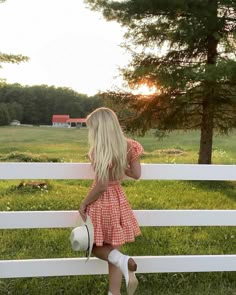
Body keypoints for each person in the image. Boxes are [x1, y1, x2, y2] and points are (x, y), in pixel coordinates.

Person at [79, 107, 144, 295]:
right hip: (118, 199)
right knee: (114, 248)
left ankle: (123, 262)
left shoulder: (98, 150)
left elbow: (101, 185)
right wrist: (120, 165)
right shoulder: (130, 145)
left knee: (91, 245)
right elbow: (136, 174)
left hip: (102, 202)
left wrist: (84, 203)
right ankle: (114, 291)